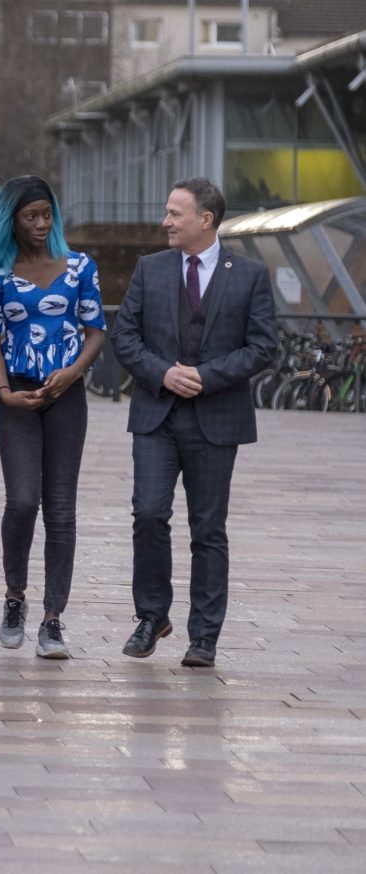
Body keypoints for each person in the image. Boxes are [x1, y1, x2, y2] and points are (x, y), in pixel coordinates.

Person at [110, 178, 277, 667]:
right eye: (167, 212)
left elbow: (263, 346)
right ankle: (150, 616)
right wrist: (162, 372)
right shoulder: (149, 269)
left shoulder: (248, 276)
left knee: (208, 530)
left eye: (174, 213)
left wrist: (205, 376)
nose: (166, 221)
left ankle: (204, 636)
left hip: (216, 420)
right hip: (155, 417)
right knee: (148, 514)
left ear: (205, 219)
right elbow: (126, 338)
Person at [0, 176, 108, 659]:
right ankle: (15, 596)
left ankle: (54, 619)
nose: (39, 224)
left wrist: (72, 374)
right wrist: (6, 394)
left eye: (46, 214)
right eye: (30, 216)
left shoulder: (79, 267)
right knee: (22, 499)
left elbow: (96, 330)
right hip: (18, 397)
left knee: (61, 507)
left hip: (66, 396)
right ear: (9, 220)